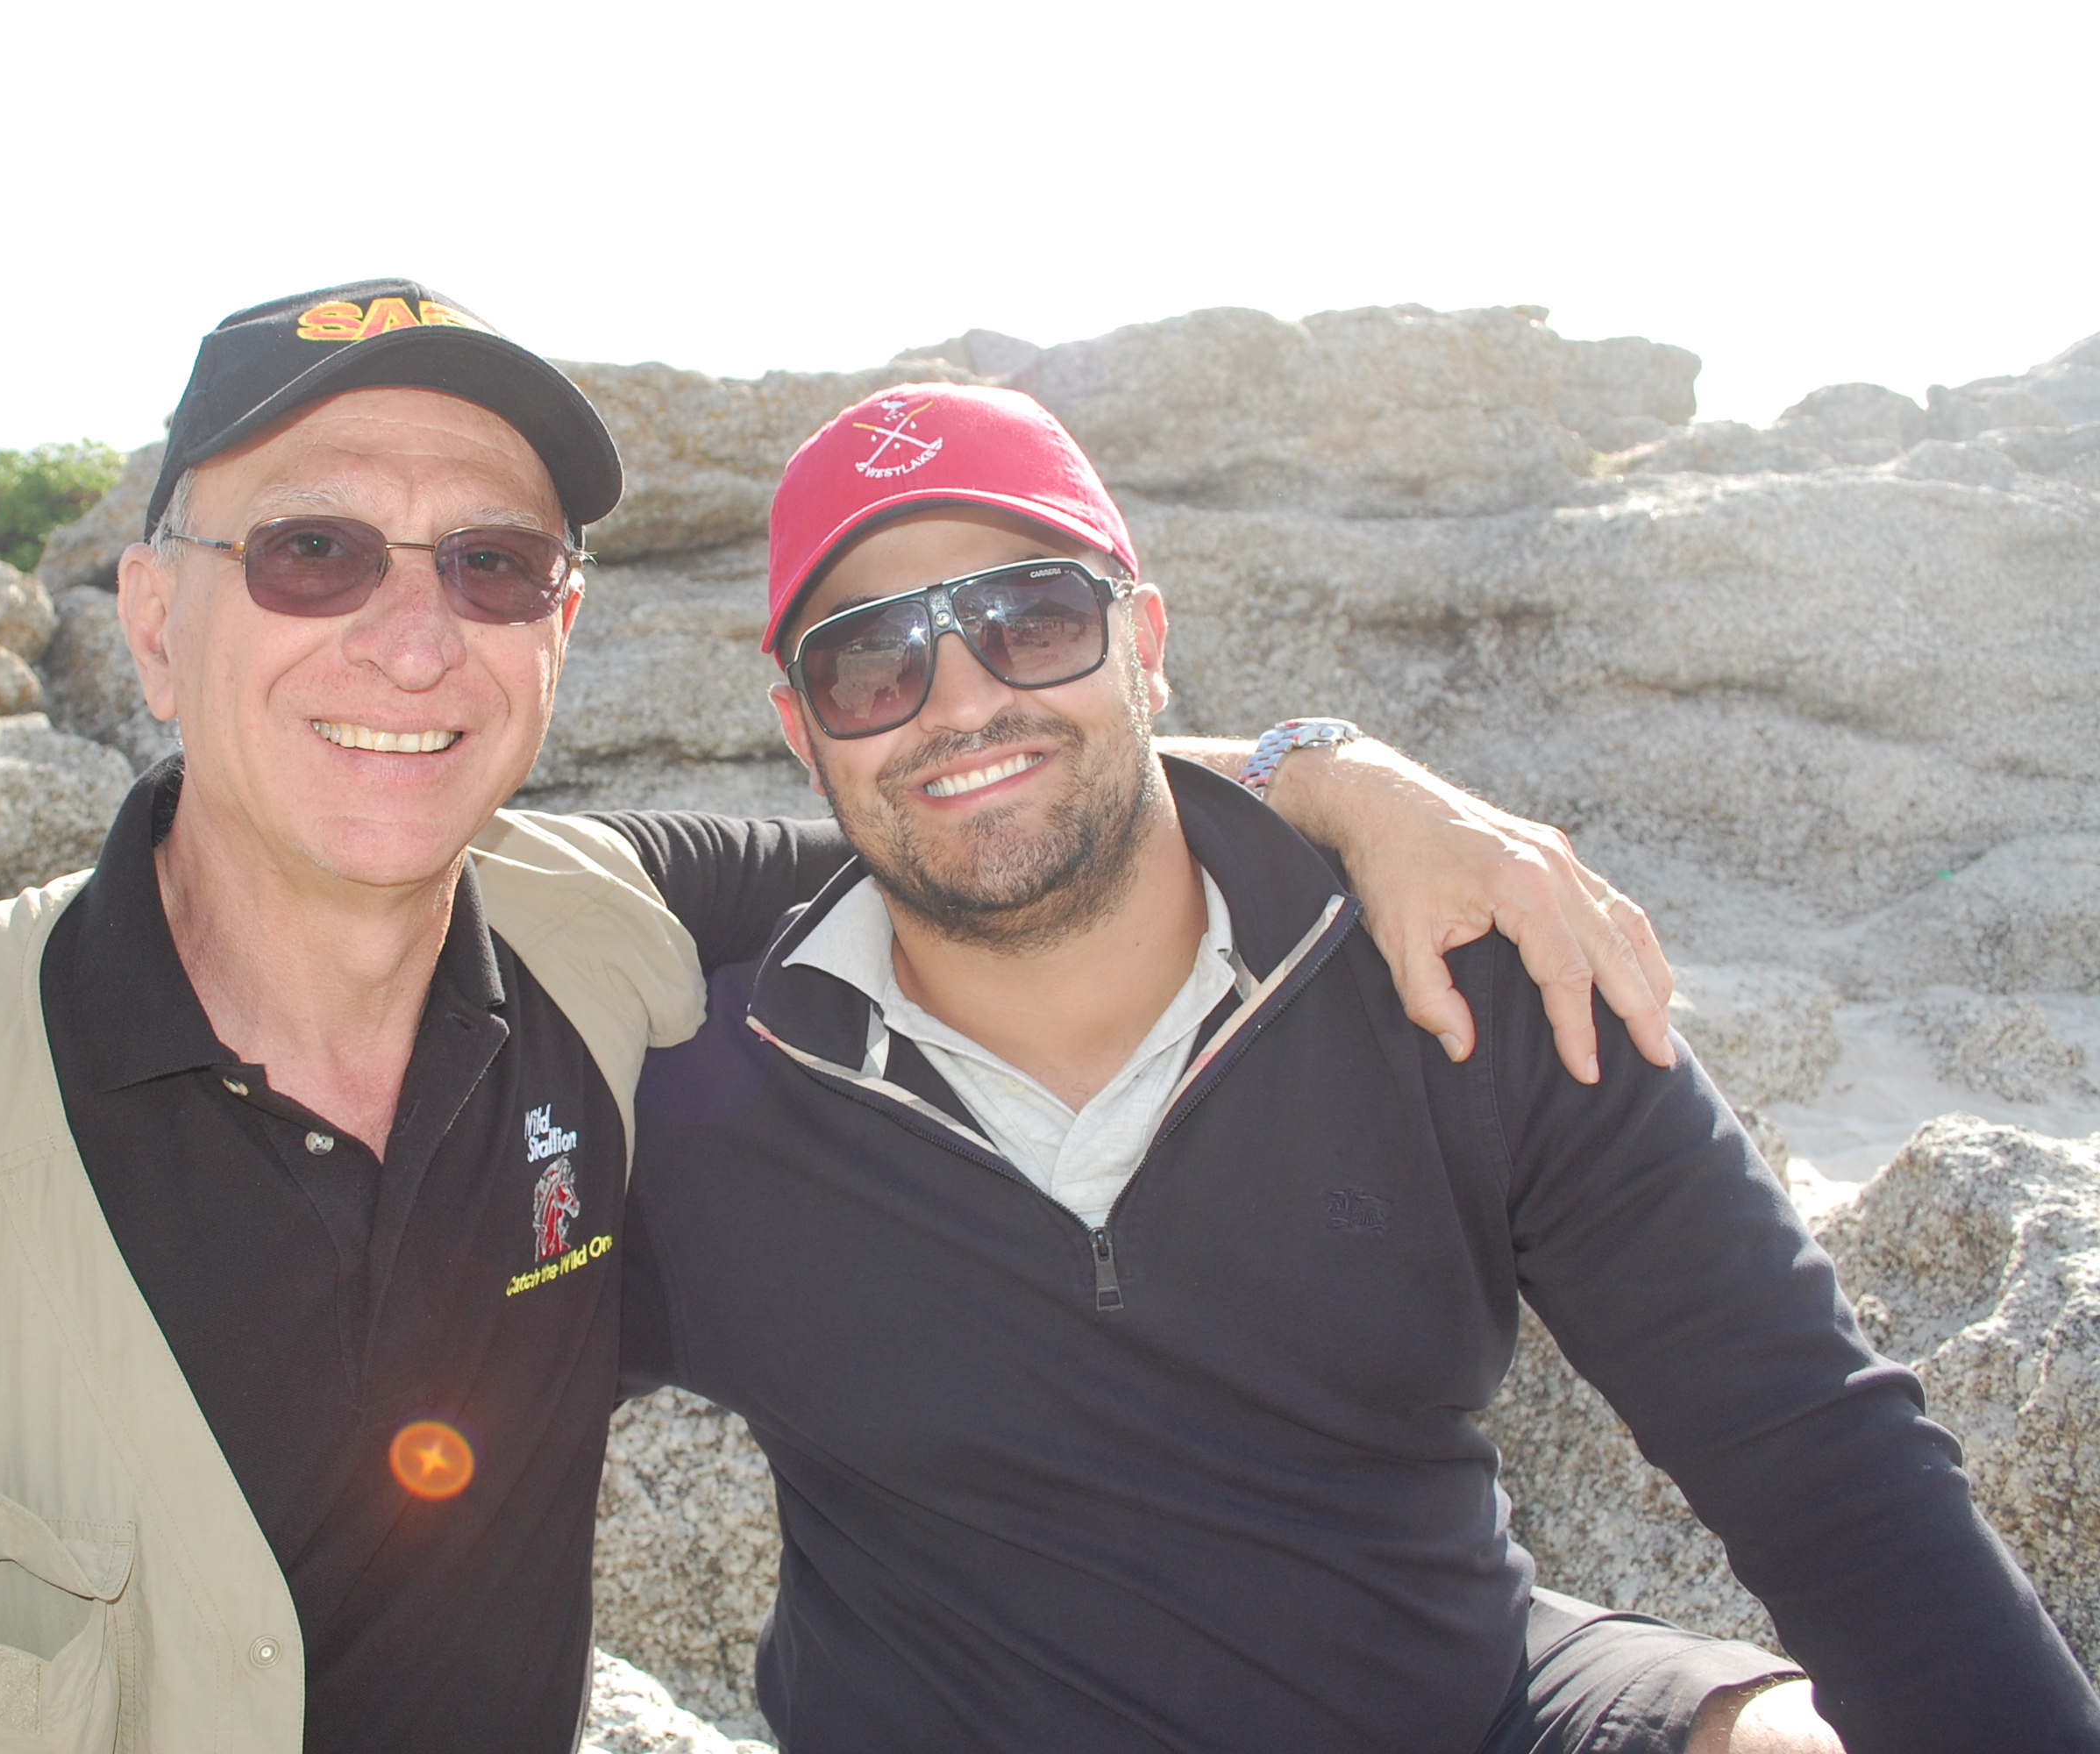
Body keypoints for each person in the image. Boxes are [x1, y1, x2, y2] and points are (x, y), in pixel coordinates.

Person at [0, 281, 1676, 1753]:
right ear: (151, 621)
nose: (412, 636)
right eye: (314, 554)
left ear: (555, 640)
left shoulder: (604, 948)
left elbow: (986, 799)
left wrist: (1330, 772)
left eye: (495, 566)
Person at [616, 384, 2100, 1753]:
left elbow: (1819, 1458)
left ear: (1142, 641)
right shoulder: (706, 1090)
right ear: (799, 737)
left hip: (1471, 1702)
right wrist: (1316, 767)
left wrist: (1315, 780)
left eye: (1029, 616)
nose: (954, 699)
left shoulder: (1453, 978)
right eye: (867, 661)